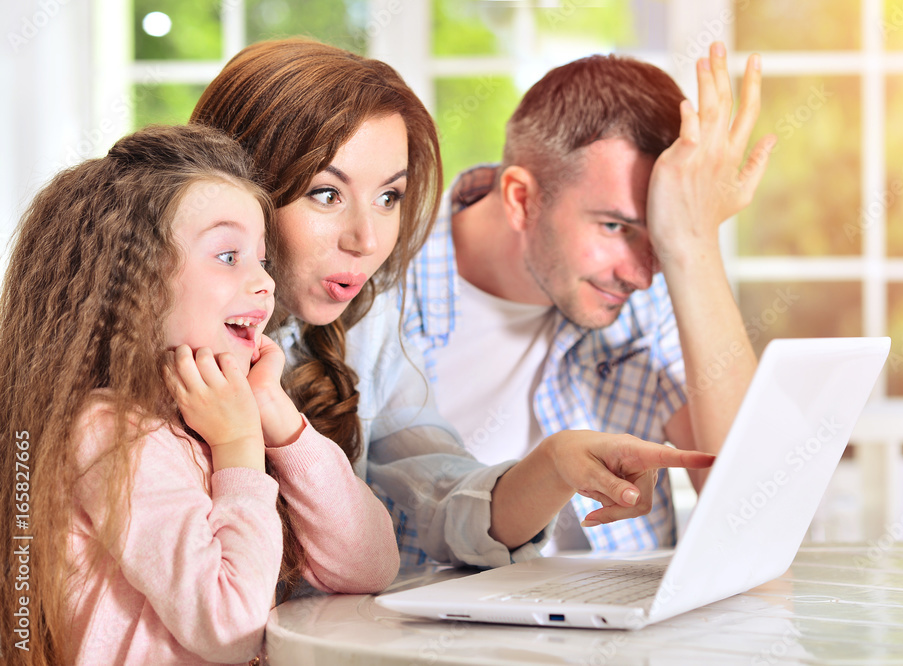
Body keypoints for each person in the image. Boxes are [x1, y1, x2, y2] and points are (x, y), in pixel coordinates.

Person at [191, 38, 715, 568]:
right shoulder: (158, 344)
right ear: (239, 186)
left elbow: (436, 494)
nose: (367, 240)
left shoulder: (369, 327)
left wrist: (556, 465)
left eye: (388, 197)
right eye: (327, 194)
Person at [0, 124, 398, 666]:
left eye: (261, 259)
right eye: (228, 256)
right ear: (130, 285)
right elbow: (231, 629)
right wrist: (239, 446)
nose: (265, 284)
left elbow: (368, 565)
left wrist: (278, 421)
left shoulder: (208, 419)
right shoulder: (109, 432)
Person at [403, 43, 777, 552]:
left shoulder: (654, 293)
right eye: (616, 226)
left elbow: (752, 506)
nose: (642, 276)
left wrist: (693, 245)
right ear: (521, 199)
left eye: (660, 236)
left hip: (622, 627)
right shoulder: (376, 297)